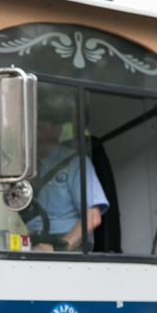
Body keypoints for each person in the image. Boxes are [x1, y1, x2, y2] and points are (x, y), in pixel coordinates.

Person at [23, 95, 110, 252]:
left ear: (58, 130)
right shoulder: (21, 165)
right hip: (23, 240)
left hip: (65, 245)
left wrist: (60, 246)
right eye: (31, 129)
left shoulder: (75, 163)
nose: (34, 135)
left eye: (40, 128)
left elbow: (93, 217)